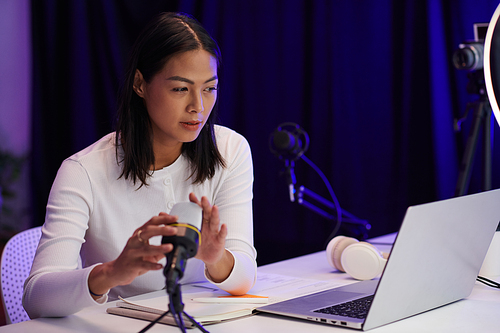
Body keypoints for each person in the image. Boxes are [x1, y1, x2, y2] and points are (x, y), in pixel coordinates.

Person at [23, 12, 257, 318]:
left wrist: (216, 258)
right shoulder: (83, 171)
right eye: (180, 89)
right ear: (139, 84)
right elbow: (36, 298)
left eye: (209, 88)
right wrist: (112, 272)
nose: (198, 107)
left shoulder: (229, 149)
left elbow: (246, 277)